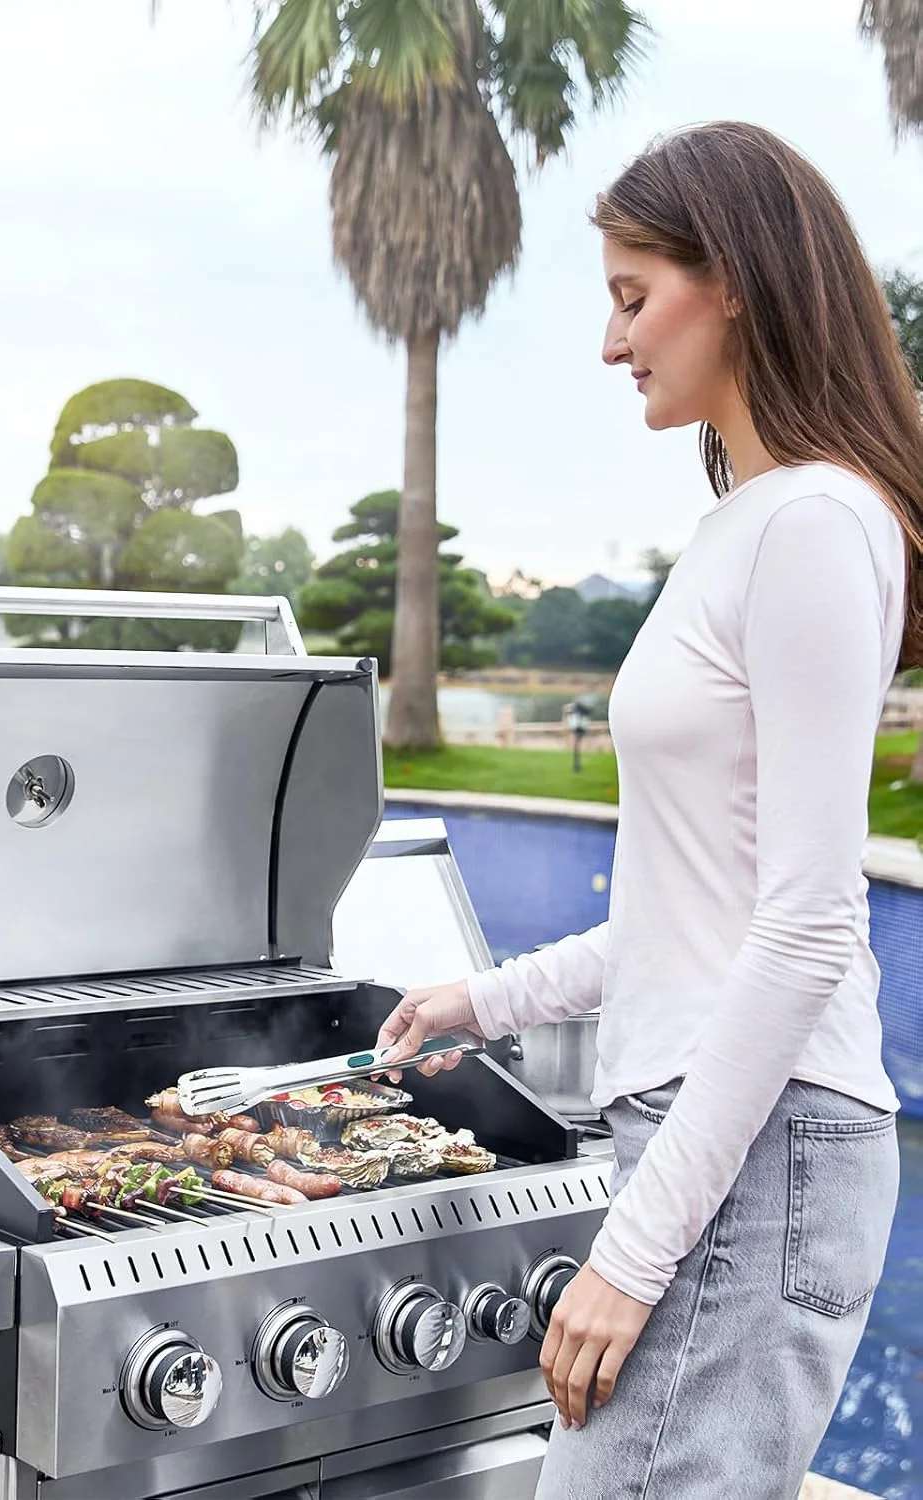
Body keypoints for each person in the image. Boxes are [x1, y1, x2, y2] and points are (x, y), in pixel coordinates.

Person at [377, 120, 921, 1500]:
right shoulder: (749, 522)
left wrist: (630, 1254)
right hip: (727, 1149)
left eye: (633, 296)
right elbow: (696, 914)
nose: (612, 343)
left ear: (731, 279)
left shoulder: (814, 523)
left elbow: (807, 926)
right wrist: (486, 1000)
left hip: (757, 1156)